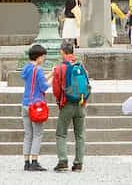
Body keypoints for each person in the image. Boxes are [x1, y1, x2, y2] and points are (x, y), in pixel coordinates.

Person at [52, 41, 89, 172]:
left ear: (62, 51)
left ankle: (63, 161)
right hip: (80, 104)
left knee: (61, 133)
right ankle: (78, 163)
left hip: (66, 104)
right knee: (80, 135)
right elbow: (87, 84)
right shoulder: (81, 66)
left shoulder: (60, 68)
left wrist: (59, 101)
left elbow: (56, 89)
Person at [20, 44, 51, 172]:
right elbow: (44, 86)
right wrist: (53, 77)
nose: (44, 59)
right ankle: (35, 161)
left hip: (25, 104)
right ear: (38, 57)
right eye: (43, 57)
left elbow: (36, 80)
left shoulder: (26, 68)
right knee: (37, 134)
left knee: (28, 134)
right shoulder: (38, 70)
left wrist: (50, 74)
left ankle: (26, 162)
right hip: (36, 106)